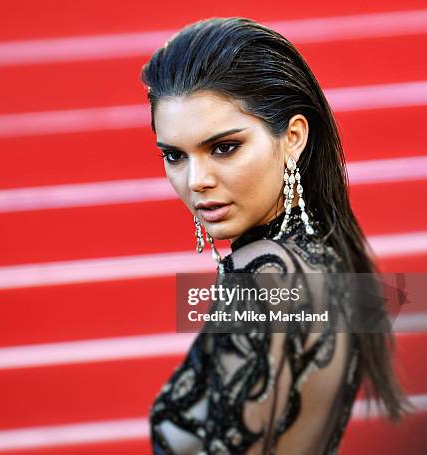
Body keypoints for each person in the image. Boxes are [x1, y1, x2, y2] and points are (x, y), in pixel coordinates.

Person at [140, 17, 413, 454]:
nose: (196, 180)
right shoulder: (328, 256)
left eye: (224, 147)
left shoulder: (261, 277)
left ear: (293, 137)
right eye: (174, 155)